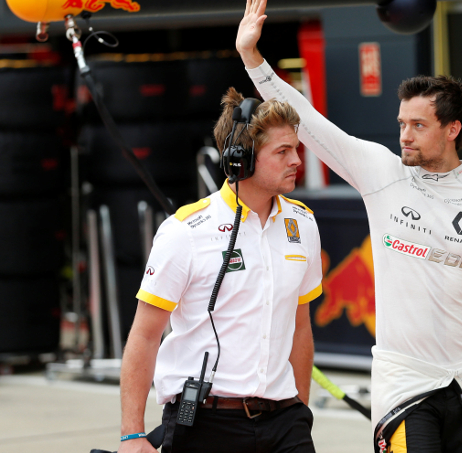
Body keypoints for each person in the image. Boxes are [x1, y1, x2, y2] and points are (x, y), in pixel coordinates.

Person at [237, 0, 462, 453]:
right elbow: (307, 119)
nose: (405, 136)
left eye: (418, 125)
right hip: (402, 382)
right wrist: (252, 56)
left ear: (452, 129)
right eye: (401, 124)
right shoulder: (380, 171)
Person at [118, 90, 323, 453]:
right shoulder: (186, 230)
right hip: (206, 423)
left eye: (296, 148)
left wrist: (300, 410)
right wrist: (133, 435)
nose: (296, 160)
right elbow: (145, 336)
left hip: (286, 423)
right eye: (282, 152)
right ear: (240, 159)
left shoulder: (303, 223)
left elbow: (301, 325)